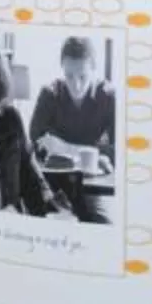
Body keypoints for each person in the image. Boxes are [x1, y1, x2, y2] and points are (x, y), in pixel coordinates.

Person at [28, 37, 115, 224]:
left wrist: (64, 148)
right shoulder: (49, 94)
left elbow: (118, 152)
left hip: (90, 182)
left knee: (104, 223)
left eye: (82, 76)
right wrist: (93, 153)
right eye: (69, 76)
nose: (75, 86)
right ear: (62, 69)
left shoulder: (108, 96)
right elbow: (35, 143)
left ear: (94, 69)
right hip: (52, 181)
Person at [0, 54, 57, 217]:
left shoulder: (7, 118)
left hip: (13, 221)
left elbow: (30, 171)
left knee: (12, 118)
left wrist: (52, 207)